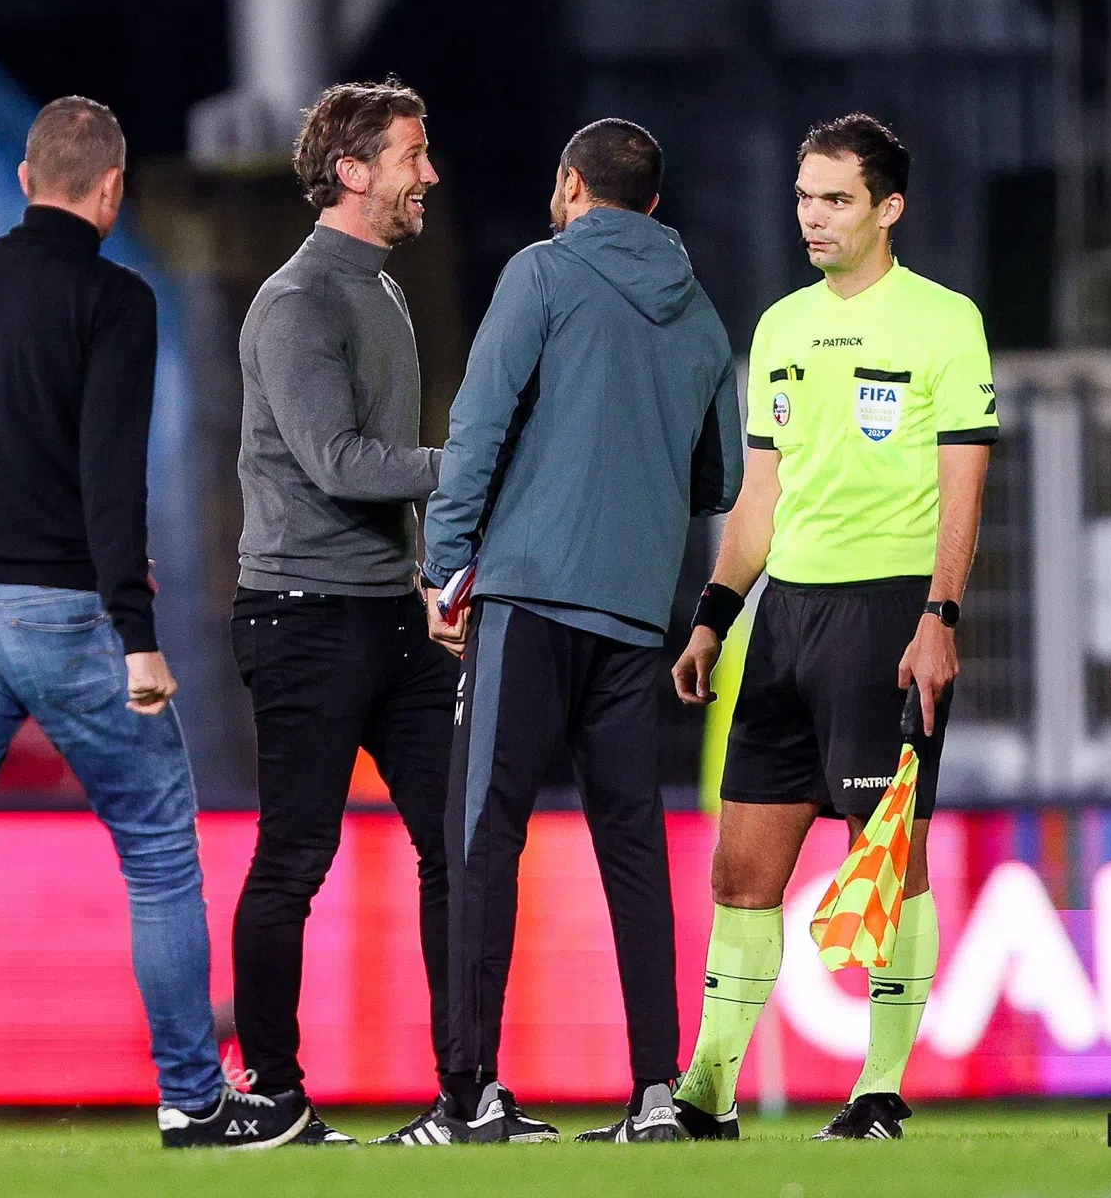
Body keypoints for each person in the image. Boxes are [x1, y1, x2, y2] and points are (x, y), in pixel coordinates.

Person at [0, 97, 302, 1155]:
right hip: (66, 612)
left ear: (22, 178)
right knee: (156, 854)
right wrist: (137, 633)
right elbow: (108, 483)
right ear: (111, 188)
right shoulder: (116, 301)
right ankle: (192, 1097)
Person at [379, 118, 743, 1146]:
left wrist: (441, 574)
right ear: (654, 206)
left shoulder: (541, 275)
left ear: (572, 185)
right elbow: (717, 478)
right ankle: (656, 1095)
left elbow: (481, 425)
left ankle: (468, 1097)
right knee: (633, 850)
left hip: (530, 601)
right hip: (634, 614)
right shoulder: (705, 318)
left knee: (480, 838)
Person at [670, 113, 996, 1143]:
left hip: (886, 612)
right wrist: (716, 615)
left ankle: (882, 1091)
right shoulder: (779, 326)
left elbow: (963, 485)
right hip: (786, 618)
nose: (813, 217)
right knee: (740, 871)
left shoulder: (944, 323)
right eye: (805, 197)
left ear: (888, 208)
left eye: (836, 199)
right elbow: (760, 493)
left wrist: (939, 615)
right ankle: (707, 1095)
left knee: (885, 856)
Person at [229, 77, 453, 1147]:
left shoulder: (384, 290)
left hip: (389, 620)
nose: (431, 176)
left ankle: (469, 1093)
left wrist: (420, 575)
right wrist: (472, 470)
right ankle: (273, 1093)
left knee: (460, 845)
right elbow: (340, 462)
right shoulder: (298, 301)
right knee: (295, 860)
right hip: (303, 616)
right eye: (413, 155)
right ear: (353, 172)